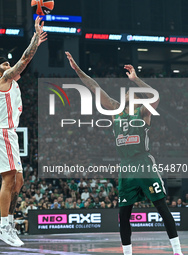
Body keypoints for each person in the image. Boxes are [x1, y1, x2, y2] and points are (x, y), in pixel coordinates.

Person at [65, 52, 184, 255]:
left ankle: (177, 251)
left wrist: (136, 79)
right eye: (127, 92)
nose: (128, 94)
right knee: (124, 213)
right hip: (126, 165)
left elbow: (155, 96)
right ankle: (127, 253)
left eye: (133, 93)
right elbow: (94, 87)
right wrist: (77, 69)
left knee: (162, 208)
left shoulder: (144, 112)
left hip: (144, 162)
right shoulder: (114, 111)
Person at [0, 16, 47, 247]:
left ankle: (9, 222)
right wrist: (35, 39)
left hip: (9, 134)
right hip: (2, 132)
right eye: (4, 64)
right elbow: (23, 60)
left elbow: (21, 65)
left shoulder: (12, 84)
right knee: (8, 179)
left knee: (19, 181)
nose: (8, 66)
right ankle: (3, 225)